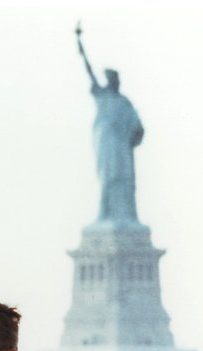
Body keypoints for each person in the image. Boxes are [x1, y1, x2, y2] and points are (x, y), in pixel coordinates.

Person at [76, 22, 144, 223]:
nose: (112, 81)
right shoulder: (102, 96)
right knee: (107, 179)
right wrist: (80, 47)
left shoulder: (125, 103)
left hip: (122, 147)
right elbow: (89, 71)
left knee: (125, 181)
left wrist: (132, 137)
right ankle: (105, 213)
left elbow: (139, 129)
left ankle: (129, 216)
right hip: (107, 144)